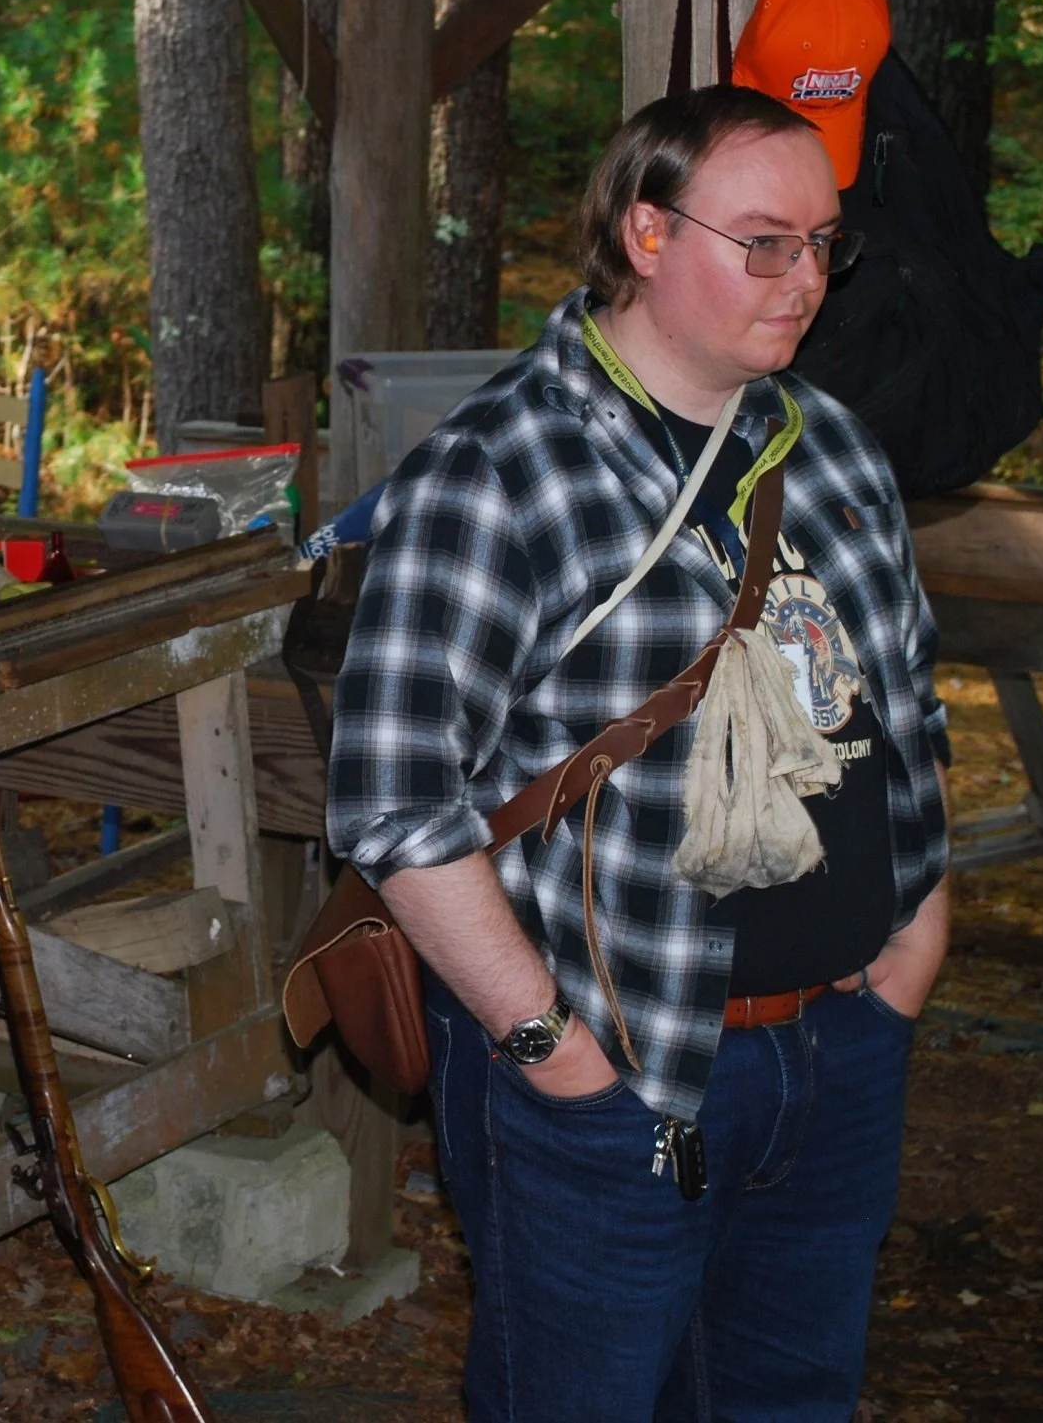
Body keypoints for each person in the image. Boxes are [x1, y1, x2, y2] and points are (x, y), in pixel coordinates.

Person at [327, 83, 953, 1420]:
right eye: (764, 242)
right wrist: (556, 1051)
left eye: (824, 245)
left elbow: (903, 707)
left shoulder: (832, 447)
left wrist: (912, 942)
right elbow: (391, 804)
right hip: (619, 1083)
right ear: (648, 235)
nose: (805, 280)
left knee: (790, 1400)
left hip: (839, 1056)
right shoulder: (500, 474)